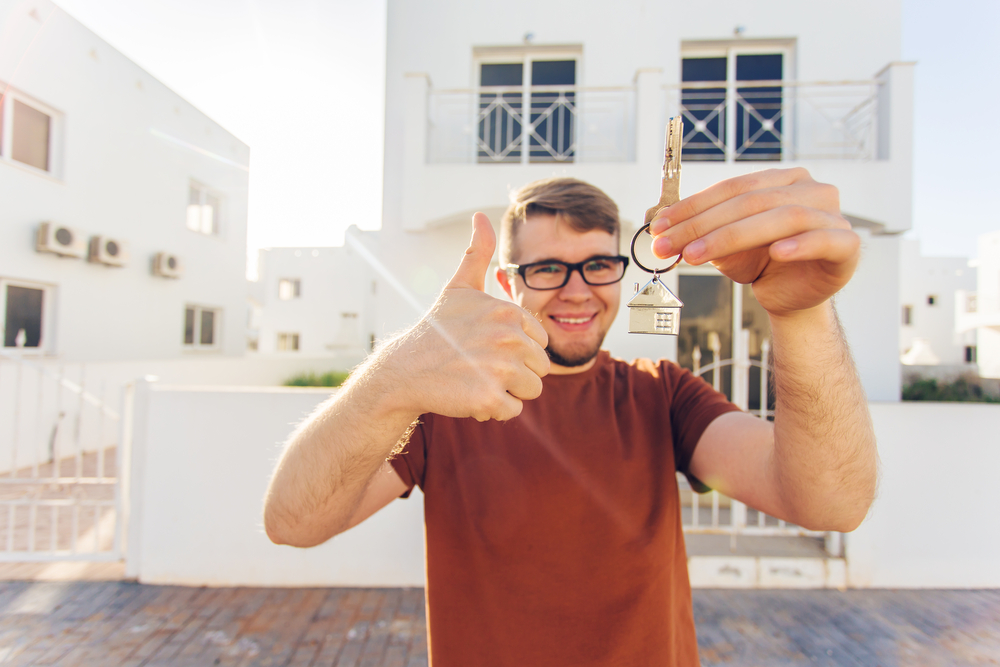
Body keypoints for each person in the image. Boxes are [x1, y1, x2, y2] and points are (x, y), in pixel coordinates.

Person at [263, 169, 878, 666]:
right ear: (507, 281)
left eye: (597, 265)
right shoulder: (439, 409)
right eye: (549, 268)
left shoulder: (661, 395)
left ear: (621, 268)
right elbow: (293, 520)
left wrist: (803, 316)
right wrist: (393, 376)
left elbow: (831, 503)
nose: (578, 290)